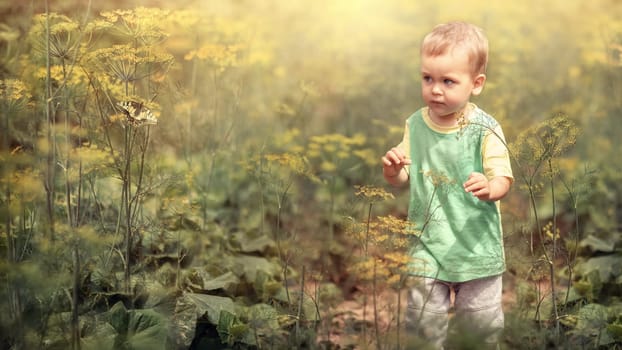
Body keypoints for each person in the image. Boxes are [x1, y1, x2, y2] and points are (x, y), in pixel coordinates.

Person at [381, 22, 513, 349]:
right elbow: (402, 179)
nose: (435, 89)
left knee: (480, 330)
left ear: (476, 84)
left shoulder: (485, 128)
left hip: (476, 248)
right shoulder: (416, 124)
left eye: (448, 81)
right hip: (428, 246)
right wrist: (393, 171)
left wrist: (490, 186)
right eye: (428, 79)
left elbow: (503, 177)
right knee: (424, 329)